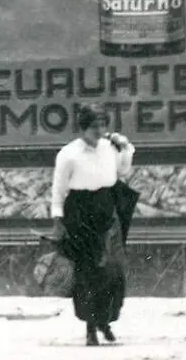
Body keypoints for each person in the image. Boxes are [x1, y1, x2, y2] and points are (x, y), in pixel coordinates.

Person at [49, 110, 138, 346]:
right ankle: (90, 328)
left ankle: (105, 320)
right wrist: (58, 220)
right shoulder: (69, 154)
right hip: (80, 211)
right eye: (94, 127)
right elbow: (58, 188)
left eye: (102, 125)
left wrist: (125, 148)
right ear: (83, 127)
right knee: (88, 272)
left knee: (114, 269)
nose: (99, 131)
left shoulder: (109, 148)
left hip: (106, 209)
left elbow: (123, 170)